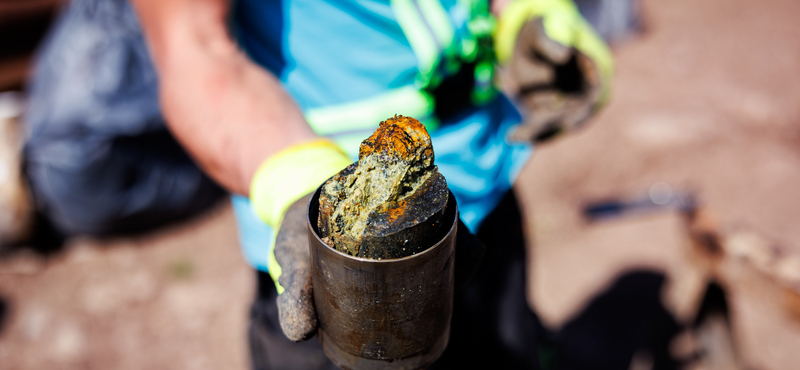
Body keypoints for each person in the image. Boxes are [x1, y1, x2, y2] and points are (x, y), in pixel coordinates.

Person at [13, 0, 613, 368]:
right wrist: (299, 183)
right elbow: (196, 53)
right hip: (327, 256)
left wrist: (534, 15)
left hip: (480, 194)